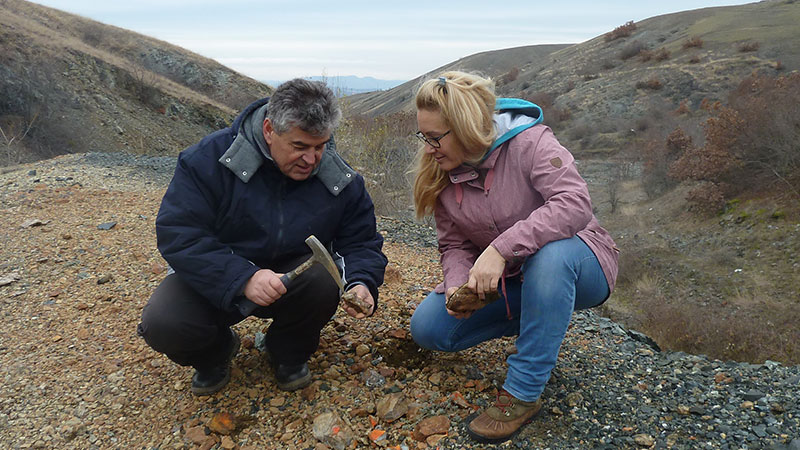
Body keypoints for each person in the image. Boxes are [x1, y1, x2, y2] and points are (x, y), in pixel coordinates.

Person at [137, 79, 387, 395]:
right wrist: (243, 278)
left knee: (325, 280)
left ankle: (287, 352)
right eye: (299, 146)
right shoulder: (208, 160)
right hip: (220, 277)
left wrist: (362, 281)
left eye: (320, 146)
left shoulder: (339, 177)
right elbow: (179, 234)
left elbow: (361, 241)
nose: (311, 160)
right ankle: (215, 352)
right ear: (269, 130)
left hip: (294, 281)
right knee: (164, 322)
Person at [409, 71, 619, 443]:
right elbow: (454, 246)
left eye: (435, 138)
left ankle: (522, 393)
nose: (428, 148)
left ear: (467, 127)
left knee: (550, 258)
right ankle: (542, 322)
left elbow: (575, 204)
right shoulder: (441, 171)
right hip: (515, 280)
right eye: (423, 136)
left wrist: (500, 249)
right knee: (429, 328)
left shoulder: (531, 142)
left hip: (581, 263)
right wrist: (459, 286)